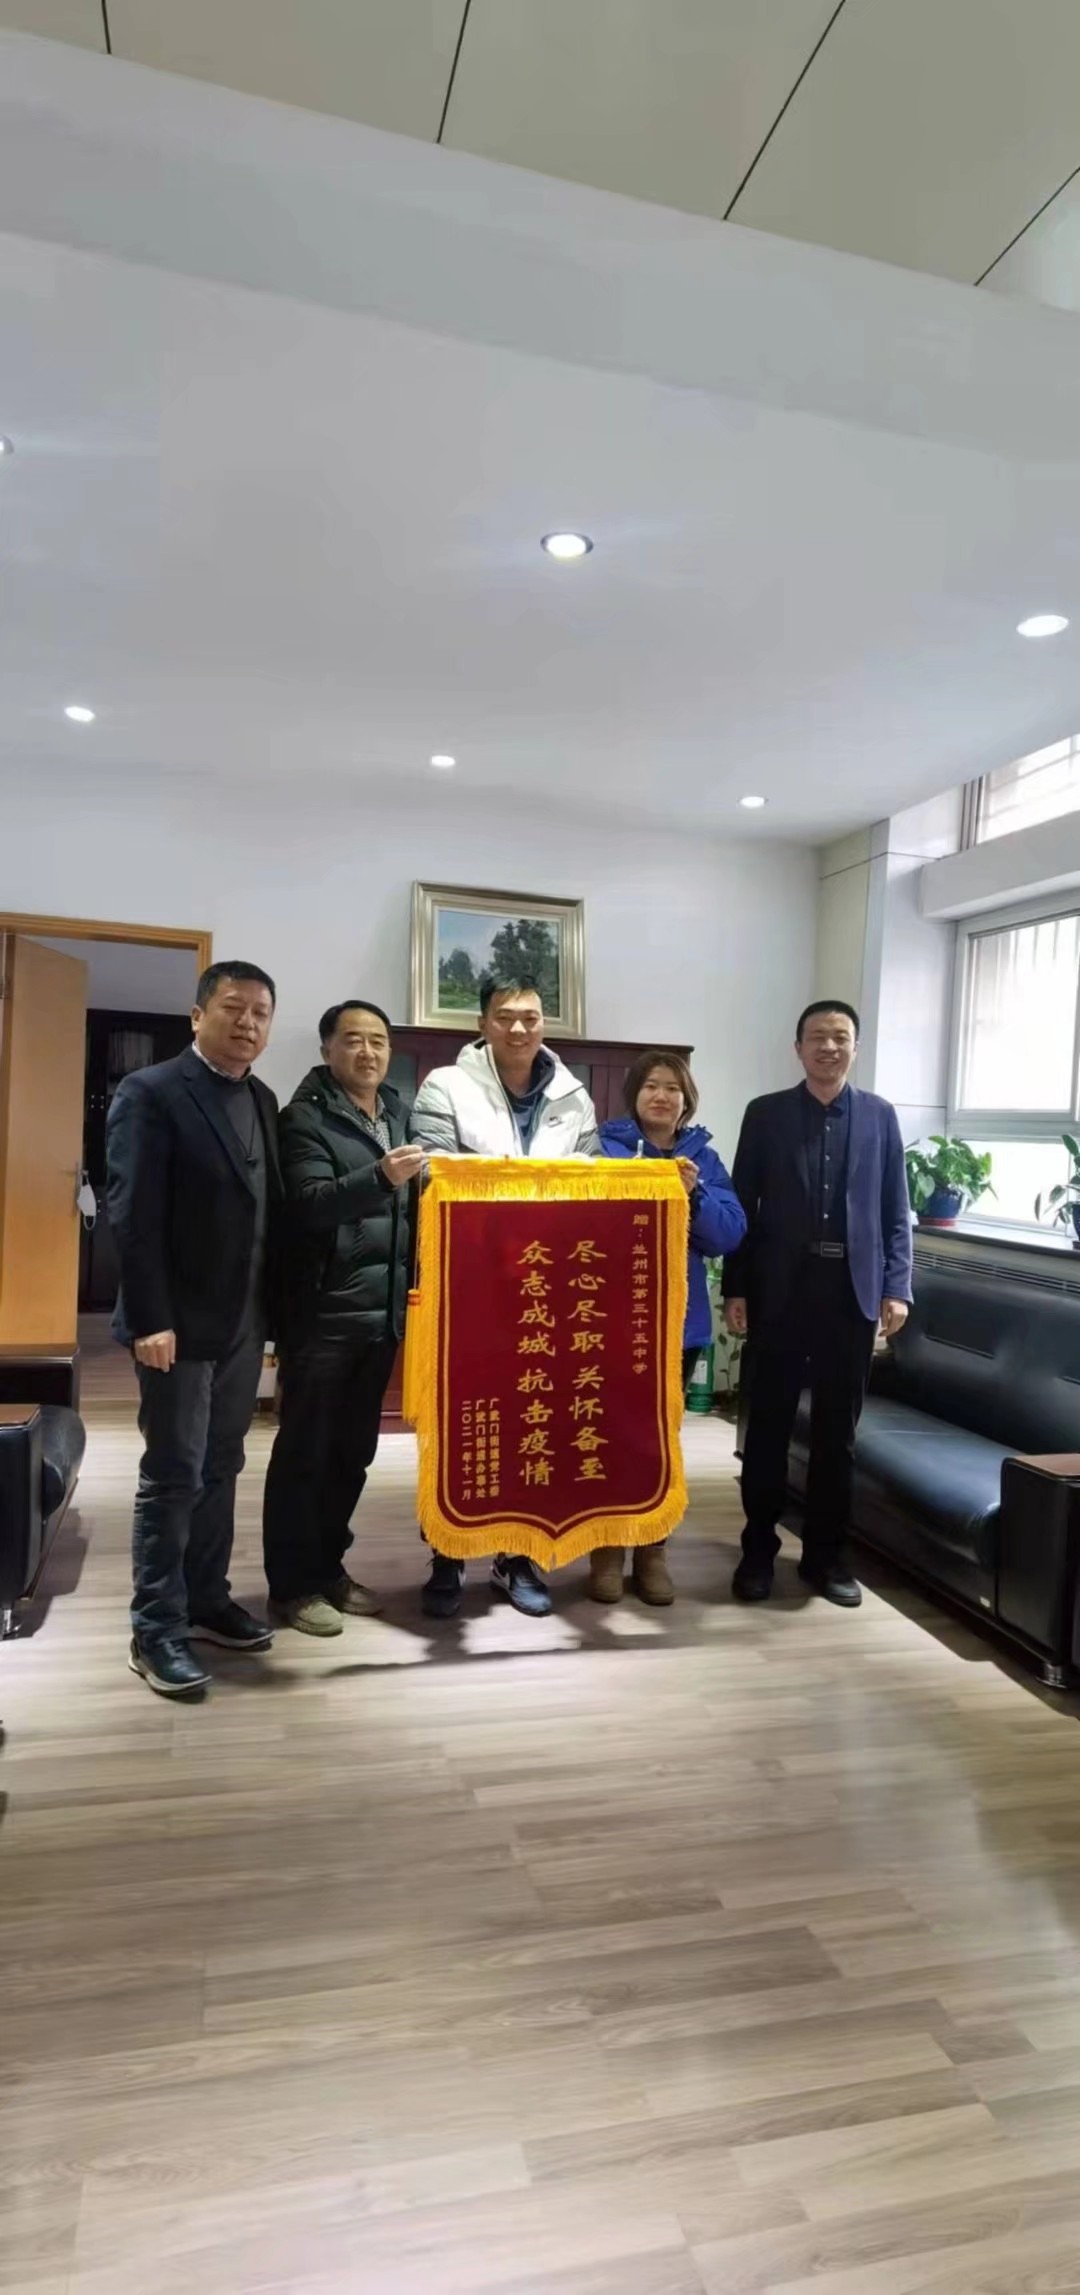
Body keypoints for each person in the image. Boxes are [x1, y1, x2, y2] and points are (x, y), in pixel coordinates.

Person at [107, 960, 281, 1698]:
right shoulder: (149, 1092)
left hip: (242, 1320)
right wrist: (151, 1318)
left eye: (261, 1012)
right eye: (234, 1007)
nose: (248, 1023)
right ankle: (154, 1628)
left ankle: (206, 1598)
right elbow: (132, 1214)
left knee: (222, 1464)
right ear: (197, 1015)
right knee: (173, 1472)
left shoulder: (262, 1097)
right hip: (175, 1324)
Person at [408, 970, 600, 1620]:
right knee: (458, 1422)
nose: (519, 1027)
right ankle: (446, 1553)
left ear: (545, 1023)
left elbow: (591, 1186)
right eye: (505, 1016)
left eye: (530, 1017)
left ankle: (517, 1557)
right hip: (466, 1282)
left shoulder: (574, 1096)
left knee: (532, 1422)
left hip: (543, 1289)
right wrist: (533, 1188)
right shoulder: (445, 1086)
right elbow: (433, 1176)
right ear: (483, 1024)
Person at [722, 1000, 912, 1609]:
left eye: (840, 1037)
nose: (829, 1047)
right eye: (817, 1037)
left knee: (838, 1435)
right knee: (768, 1426)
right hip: (780, 1290)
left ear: (856, 1047)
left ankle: (825, 1557)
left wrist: (896, 1286)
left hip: (850, 1293)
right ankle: (757, 1551)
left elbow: (896, 1209)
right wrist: (735, 1287)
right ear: (798, 1047)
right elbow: (741, 1208)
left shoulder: (880, 1116)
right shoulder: (766, 1113)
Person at [263, 1000, 423, 1634]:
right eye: (353, 1040)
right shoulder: (303, 1118)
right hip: (321, 1317)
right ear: (327, 1049)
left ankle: (329, 1569)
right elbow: (309, 1206)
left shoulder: (400, 1113)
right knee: (305, 1453)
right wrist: (381, 1175)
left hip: (381, 1318)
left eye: (378, 1041)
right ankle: (291, 1587)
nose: (367, 1052)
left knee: (352, 1454)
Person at [597, 1050, 746, 1605]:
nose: (661, 1096)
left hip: (677, 1326)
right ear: (634, 1095)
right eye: (651, 1086)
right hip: (609, 1321)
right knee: (610, 1435)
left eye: (673, 1088)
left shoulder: (703, 1158)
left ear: (687, 1101)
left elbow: (728, 1234)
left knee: (660, 1440)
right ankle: (606, 1550)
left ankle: (652, 1551)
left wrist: (694, 1194)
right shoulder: (602, 1149)